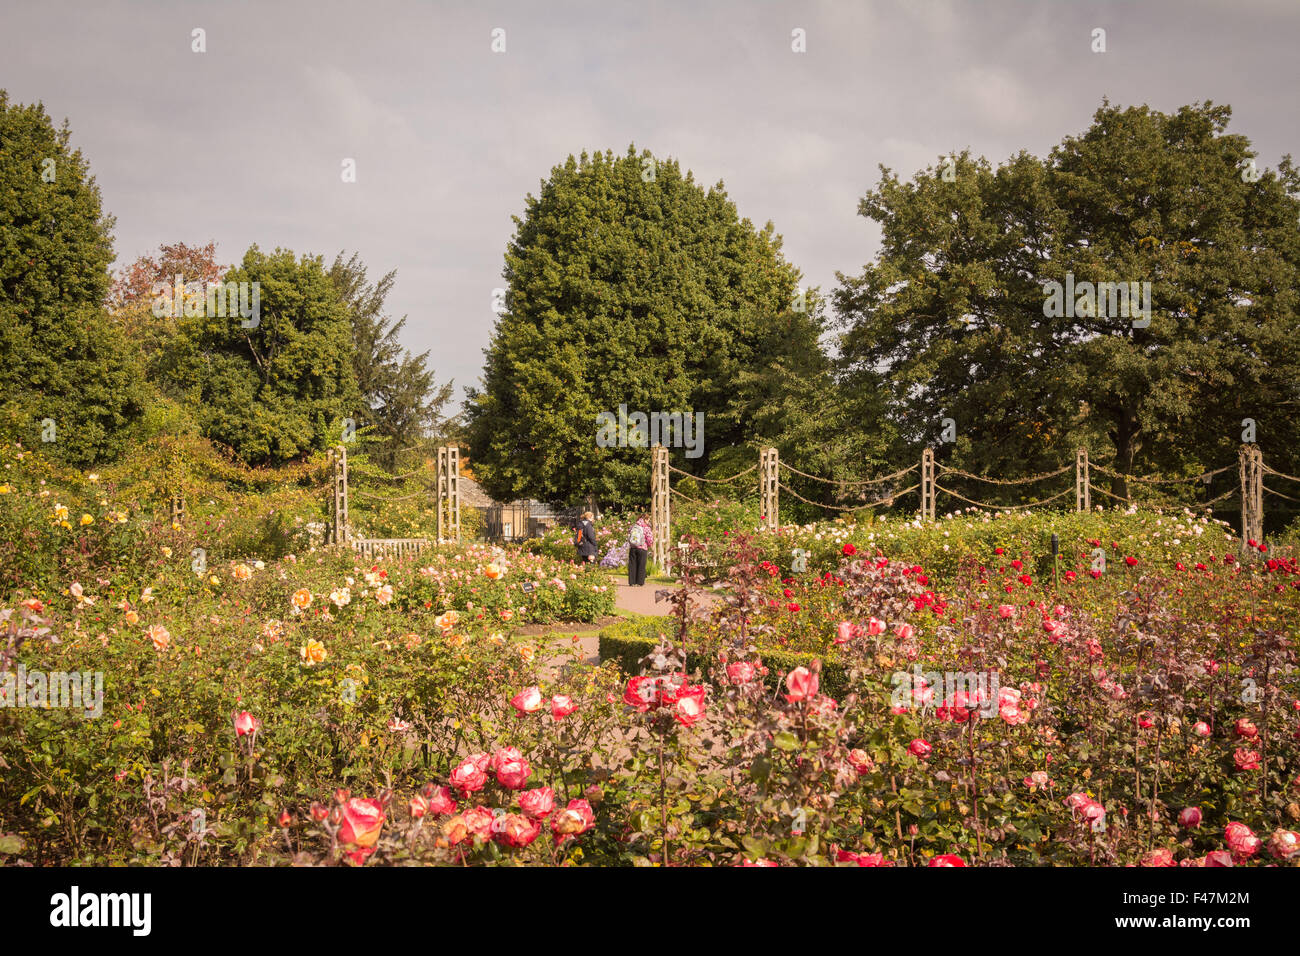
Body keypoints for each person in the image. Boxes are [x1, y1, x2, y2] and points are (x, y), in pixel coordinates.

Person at [627, 512, 652, 586]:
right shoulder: (646, 527)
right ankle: (639, 582)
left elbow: (629, 534)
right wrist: (649, 545)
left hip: (633, 547)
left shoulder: (633, 526)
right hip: (642, 548)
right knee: (641, 565)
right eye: (648, 520)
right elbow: (650, 538)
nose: (648, 521)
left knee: (632, 565)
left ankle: (632, 582)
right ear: (645, 519)